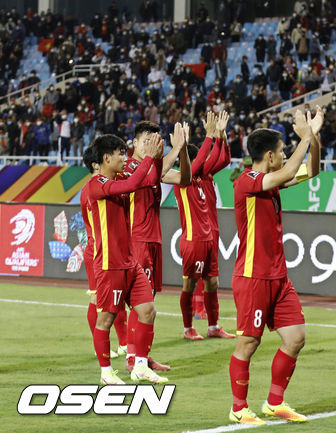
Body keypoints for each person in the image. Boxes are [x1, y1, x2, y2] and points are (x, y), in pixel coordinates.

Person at [228, 107, 322, 425]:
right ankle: (238, 407)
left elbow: (313, 168)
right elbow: (289, 170)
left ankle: (274, 402)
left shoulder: (271, 182)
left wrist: (314, 136)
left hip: (279, 277)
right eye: (281, 152)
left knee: (295, 337)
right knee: (248, 343)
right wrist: (305, 135)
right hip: (253, 277)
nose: (284, 156)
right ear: (270, 156)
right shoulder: (247, 182)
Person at [85, 133, 167, 385]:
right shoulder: (96, 184)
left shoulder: (118, 178)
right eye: (120, 154)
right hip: (110, 264)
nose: (124, 158)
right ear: (106, 158)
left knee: (147, 310)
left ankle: (140, 366)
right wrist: (148, 157)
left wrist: (157, 159)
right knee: (106, 318)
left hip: (130, 262)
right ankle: (106, 372)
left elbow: (148, 179)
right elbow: (132, 185)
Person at [121, 120, 191, 372]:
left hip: (154, 240)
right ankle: (133, 358)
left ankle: (142, 356)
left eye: (155, 142)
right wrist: (172, 150)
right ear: (135, 144)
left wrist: (181, 150)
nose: (151, 147)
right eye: (146, 142)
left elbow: (185, 178)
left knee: (148, 300)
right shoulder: (128, 167)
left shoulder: (154, 166)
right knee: (141, 303)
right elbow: (151, 174)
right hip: (136, 240)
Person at [173, 112, 236, 341]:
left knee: (213, 282)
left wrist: (221, 136)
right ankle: (188, 328)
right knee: (189, 284)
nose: (202, 161)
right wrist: (209, 135)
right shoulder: (182, 179)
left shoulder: (205, 176)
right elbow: (198, 162)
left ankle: (213, 327)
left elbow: (224, 159)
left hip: (209, 238)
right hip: (193, 240)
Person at [80, 146, 127, 360]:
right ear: (96, 164)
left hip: (101, 248)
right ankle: (103, 343)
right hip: (98, 250)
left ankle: (121, 343)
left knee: (107, 300)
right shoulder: (92, 188)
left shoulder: (99, 186)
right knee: (99, 299)